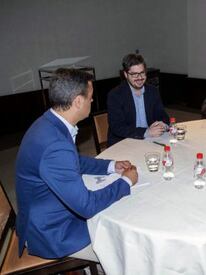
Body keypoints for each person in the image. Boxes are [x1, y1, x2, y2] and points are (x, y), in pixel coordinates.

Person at [15, 68, 138, 261]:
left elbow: (73, 161)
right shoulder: (55, 145)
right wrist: (125, 182)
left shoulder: (48, 122)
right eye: (90, 96)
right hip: (52, 231)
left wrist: (111, 166)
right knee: (125, 247)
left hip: (47, 213)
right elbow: (86, 206)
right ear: (78, 101)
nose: (92, 100)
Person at [107, 53, 170, 146]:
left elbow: (163, 116)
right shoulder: (115, 95)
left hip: (150, 140)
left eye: (142, 73)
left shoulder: (152, 91)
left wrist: (162, 125)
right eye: (134, 74)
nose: (140, 78)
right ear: (125, 74)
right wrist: (146, 132)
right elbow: (117, 127)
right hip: (123, 142)